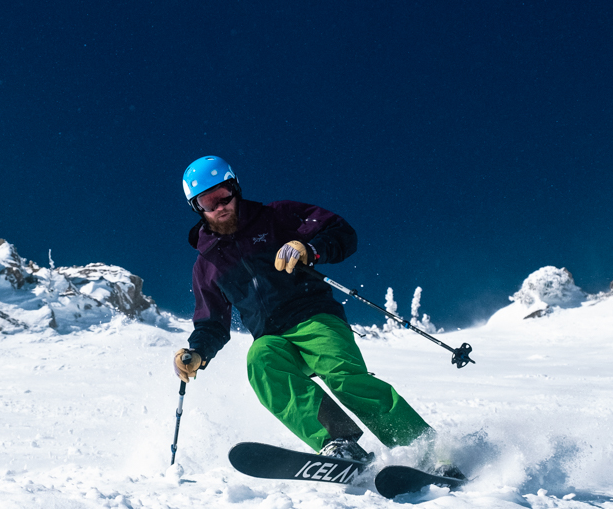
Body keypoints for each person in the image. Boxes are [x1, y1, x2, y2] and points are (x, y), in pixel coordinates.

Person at [173, 155, 432, 464]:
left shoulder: (276, 216)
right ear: (197, 207)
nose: (219, 206)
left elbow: (341, 232)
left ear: (235, 189)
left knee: (345, 379)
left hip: (314, 318)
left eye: (223, 195)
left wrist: (309, 249)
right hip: (272, 338)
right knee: (261, 361)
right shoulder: (207, 265)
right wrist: (198, 352)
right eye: (208, 201)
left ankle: (428, 450)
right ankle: (337, 441)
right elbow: (211, 322)